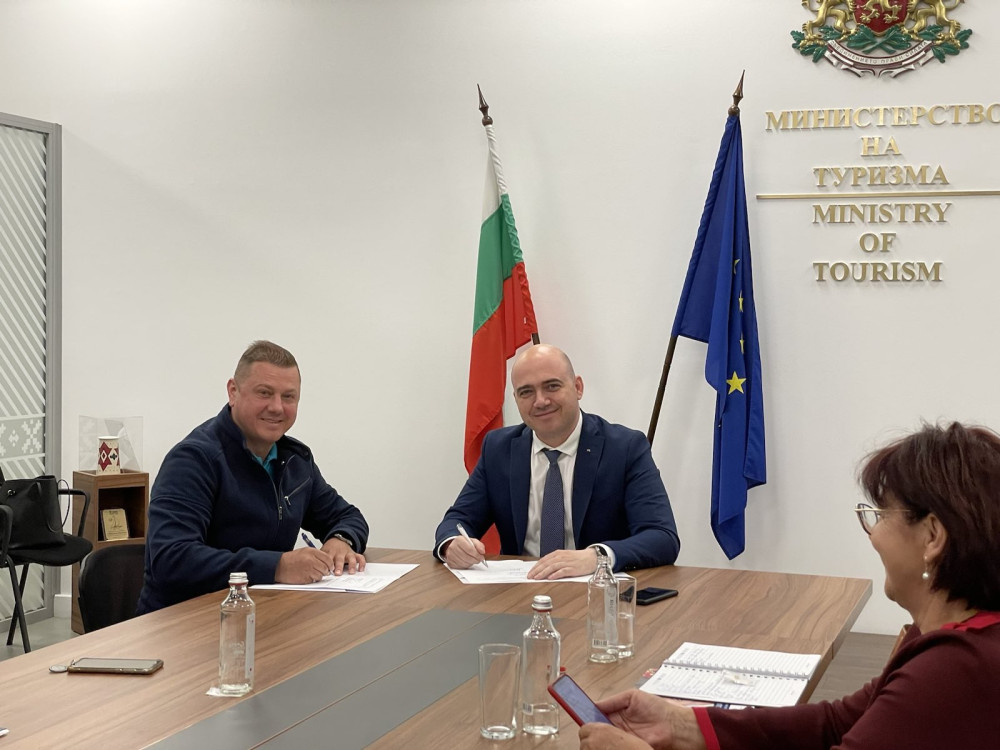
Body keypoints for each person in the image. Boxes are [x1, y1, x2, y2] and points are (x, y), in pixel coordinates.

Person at [579, 422, 1000, 749]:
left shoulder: (954, 670)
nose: (872, 534)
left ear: (932, 536)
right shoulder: (956, 641)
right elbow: (838, 722)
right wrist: (683, 724)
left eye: (880, 515)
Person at [137, 340, 369, 614]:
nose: (277, 407)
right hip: (184, 621)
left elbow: (348, 516)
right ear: (233, 392)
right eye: (264, 393)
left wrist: (341, 539)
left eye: (288, 397)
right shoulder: (193, 460)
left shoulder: (295, 461)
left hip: (262, 614)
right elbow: (171, 559)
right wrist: (277, 566)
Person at [433, 344, 679, 579]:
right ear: (516, 399)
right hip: (519, 591)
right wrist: (452, 544)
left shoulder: (625, 447)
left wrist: (597, 557)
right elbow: (458, 519)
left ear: (578, 387)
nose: (540, 401)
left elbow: (662, 537)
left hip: (595, 592)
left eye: (552, 386)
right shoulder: (499, 449)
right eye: (526, 392)